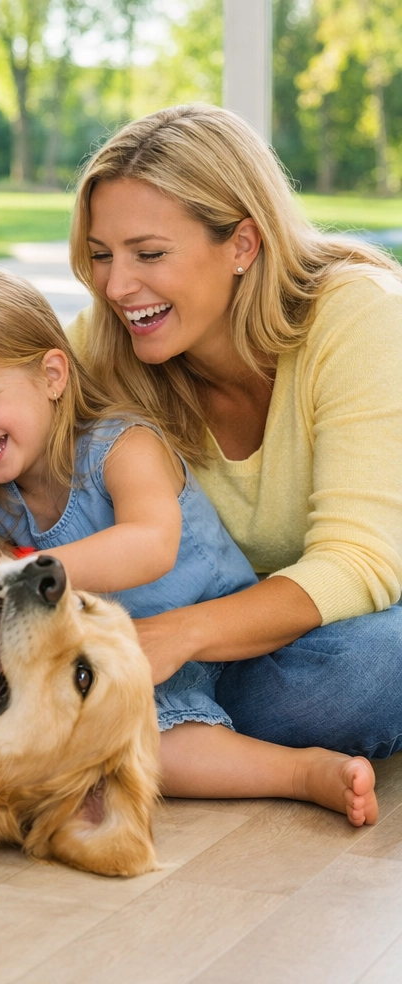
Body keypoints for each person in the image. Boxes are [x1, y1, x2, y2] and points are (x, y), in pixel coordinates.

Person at [0, 269, 379, 825]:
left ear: (51, 375)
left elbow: (151, 544)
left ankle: (301, 771)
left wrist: (20, 571)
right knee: (139, 738)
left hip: (226, 645)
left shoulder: (120, 444)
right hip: (126, 667)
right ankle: (287, 770)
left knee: (362, 665)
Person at [64, 102, 402, 816]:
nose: (117, 287)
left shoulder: (359, 314)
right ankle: (188, 731)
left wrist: (173, 636)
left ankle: (166, 728)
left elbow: (361, 563)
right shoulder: (106, 345)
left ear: (242, 243)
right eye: (101, 255)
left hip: (359, 615)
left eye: (148, 254)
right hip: (229, 641)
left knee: (369, 667)